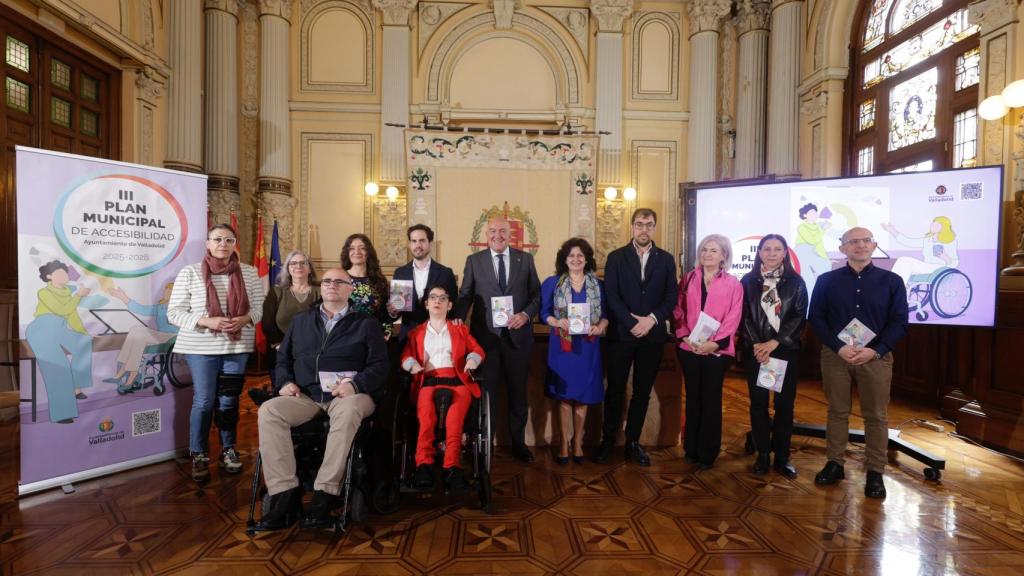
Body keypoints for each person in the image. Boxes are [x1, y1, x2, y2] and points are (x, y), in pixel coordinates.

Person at [255, 268, 388, 531]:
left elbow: (380, 366)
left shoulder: (366, 323)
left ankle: (325, 494)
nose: (331, 285)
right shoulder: (302, 321)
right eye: (327, 281)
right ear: (321, 287)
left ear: (351, 289)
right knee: (270, 410)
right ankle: (284, 493)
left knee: (348, 410)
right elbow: (283, 360)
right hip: (307, 395)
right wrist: (284, 383)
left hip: (351, 395)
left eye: (339, 281)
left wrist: (355, 384)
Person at [809, 227, 908, 499]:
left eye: (866, 241)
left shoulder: (893, 281)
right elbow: (816, 318)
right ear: (843, 249)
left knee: (875, 416)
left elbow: (899, 322)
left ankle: (875, 471)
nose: (860, 246)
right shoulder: (826, 281)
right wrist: (839, 347)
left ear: (874, 246)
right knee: (837, 411)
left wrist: (875, 351)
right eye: (853, 242)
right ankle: (835, 463)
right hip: (836, 356)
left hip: (874, 357)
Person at [168, 224, 265, 482]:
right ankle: (199, 454)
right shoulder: (189, 273)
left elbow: (258, 310)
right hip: (201, 348)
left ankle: (228, 450)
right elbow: (174, 312)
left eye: (229, 239)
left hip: (236, 347)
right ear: (208, 244)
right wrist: (206, 321)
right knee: (204, 400)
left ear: (235, 244)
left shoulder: (250, 273)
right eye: (217, 239)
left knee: (229, 401)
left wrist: (244, 318)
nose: (223, 243)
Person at [456, 215, 541, 462]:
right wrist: (457, 317)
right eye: (492, 231)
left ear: (510, 234)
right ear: (486, 235)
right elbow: (465, 295)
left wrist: (525, 315)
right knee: (487, 395)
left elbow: (536, 295)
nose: (497, 236)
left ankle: (519, 443)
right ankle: (486, 445)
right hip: (486, 342)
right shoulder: (474, 261)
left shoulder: (525, 260)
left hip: (518, 339)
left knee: (518, 395)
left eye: (502, 231)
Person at [598, 208, 678, 466]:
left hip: (652, 337)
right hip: (622, 335)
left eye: (649, 224)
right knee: (615, 390)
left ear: (654, 228)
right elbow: (611, 295)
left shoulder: (665, 259)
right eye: (640, 224)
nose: (644, 229)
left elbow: (670, 297)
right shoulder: (616, 257)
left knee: (642, 392)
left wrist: (651, 320)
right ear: (632, 227)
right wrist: (632, 322)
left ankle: (633, 441)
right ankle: (608, 440)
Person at [401, 284, 484, 491]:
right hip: (428, 380)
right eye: (433, 297)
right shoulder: (416, 333)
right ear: (426, 304)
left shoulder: (460, 329)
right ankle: (424, 465)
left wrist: (473, 359)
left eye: (443, 298)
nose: (437, 301)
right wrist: (411, 364)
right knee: (426, 417)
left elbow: (477, 349)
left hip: (457, 379)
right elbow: (406, 355)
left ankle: (452, 467)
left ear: (449, 305)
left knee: (455, 420)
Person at [740, 235, 808, 478]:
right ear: (759, 252)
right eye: (766, 249)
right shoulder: (748, 281)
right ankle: (762, 454)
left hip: (784, 351)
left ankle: (782, 456)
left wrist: (774, 342)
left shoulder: (796, 282)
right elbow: (743, 316)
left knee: (784, 406)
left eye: (777, 249)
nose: (771, 253)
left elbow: (799, 317)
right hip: (757, 353)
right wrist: (758, 344)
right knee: (758, 405)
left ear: (784, 253)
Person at [673, 234, 743, 470]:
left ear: (724, 255)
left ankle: (708, 453)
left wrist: (715, 343)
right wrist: (684, 335)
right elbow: (678, 311)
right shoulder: (688, 279)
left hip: (717, 351)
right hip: (689, 347)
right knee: (693, 399)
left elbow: (734, 317)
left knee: (711, 400)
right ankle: (690, 448)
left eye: (713, 250)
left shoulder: (733, 284)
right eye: (704, 250)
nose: (707, 254)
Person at [540, 238, 608, 465]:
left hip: (588, 347)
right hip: (562, 346)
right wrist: (557, 322)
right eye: (572, 256)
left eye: (580, 256)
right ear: (564, 260)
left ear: (587, 259)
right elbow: (543, 313)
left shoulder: (597, 285)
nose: (576, 260)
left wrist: (600, 327)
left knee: (582, 397)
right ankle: (563, 443)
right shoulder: (552, 283)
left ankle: (578, 442)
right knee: (564, 396)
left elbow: (606, 316)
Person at [25, 260, 105, 424]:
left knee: (83, 343)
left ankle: (76, 387)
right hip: (42, 330)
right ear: (49, 277)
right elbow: (62, 310)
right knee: (58, 368)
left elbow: (72, 316)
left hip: (59, 328)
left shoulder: (67, 292)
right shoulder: (44, 292)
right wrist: (78, 296)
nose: (64, 275)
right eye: (59, 273)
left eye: (65, 272)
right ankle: (62, 413)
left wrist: (85, 334)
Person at [103, 282, 179, 394]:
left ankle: (130, 375)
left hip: (171, 337)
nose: (166, 292)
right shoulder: (160, 307)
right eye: (166, 289)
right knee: (135, 330)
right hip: (159, 335)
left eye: (170, 290)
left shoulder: (179, 308)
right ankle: (123, 373)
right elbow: (142, 309)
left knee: (140, 333)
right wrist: (123, 297)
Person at [388, 224, 458, 343]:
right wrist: (393, 311)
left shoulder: (446, 273)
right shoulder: (400, 273)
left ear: (430, 243)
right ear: (410, 244)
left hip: (438, 338)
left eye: (422, 241)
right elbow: (397, 310)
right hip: (408, 338)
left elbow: (453, 306)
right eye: (414, 241)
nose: (418, 245)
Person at [262, 249, 320, 385]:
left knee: (307, 393)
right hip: (280, 351)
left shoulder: (321, 291)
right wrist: (280, 345)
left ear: (310, 268)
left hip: (312, 353)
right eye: (293, 263)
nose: (298, 266)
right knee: (283, 391)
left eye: (303, 263)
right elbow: (267, 322)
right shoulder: (276, 291)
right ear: (287, 269)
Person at [881, 216, 959, 302]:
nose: (933, 225)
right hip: (926, 266)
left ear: (944, 227)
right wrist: (892, 231)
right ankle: (894, 289)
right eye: (933, 223)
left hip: (939, 268)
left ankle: (897, 291)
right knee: (902, 260)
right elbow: (908, 241)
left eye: (937, 224)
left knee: (906, 261)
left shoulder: (950, 242)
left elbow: (954, 263)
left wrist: (945, 257)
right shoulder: (927, 240)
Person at [341, 233, 396, 340]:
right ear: (347, 252)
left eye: (362, 248)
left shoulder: (379, 280)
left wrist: (385, 332)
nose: (357, 252)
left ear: (368, 252)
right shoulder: (339, 278)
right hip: (345, 338)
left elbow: (385, 314)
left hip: (373, 337)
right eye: (352, 248)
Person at [794, 203, 833, 300]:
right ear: (804, 215)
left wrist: (826, 259)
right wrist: (823, 230)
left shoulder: (818, 226)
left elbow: (819, 246)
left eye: (815, 213)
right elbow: (812, 240)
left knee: (827, 278)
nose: (814, 215)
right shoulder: (802, 227)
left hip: (814, 255)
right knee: (808, 283)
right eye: (811, 213)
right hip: (802, 254)